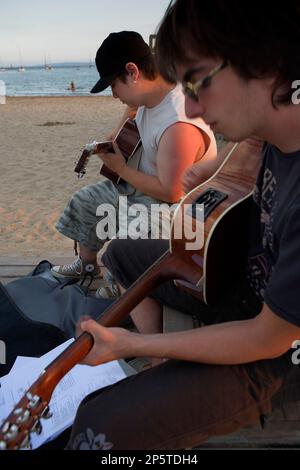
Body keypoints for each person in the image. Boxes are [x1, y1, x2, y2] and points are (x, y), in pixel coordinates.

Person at [65, 1, 300, 450]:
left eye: (196, 81)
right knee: (120, 252)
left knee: (99, 426)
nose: (189, 104)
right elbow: (240, 153)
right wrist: (210, 166)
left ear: (265, 61)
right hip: (236, 282)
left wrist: (132, 346)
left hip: (274, 352)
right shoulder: (271, 125)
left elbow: (265, 339)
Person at [51, 31, 216, 281]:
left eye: (113, 85)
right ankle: (86, 265)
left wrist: (121, 170)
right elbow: (124, 130)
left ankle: (126, 289)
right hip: (145, 189)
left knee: (127, 246)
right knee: (86, 200)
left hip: (178, 209)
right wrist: (121, 124)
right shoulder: (148, 100)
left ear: (133, 72)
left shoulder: (178, 122)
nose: (114, 94)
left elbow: (171, 192)